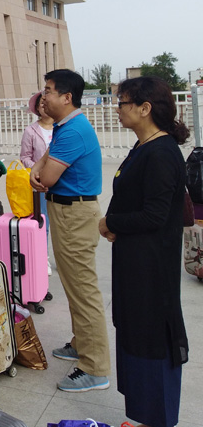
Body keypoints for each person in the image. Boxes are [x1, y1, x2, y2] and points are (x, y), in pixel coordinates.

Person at [98, 76, 189, 427]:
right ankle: (146, 417)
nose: (117, 109)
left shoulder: (162, 153)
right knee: (134, 332)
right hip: (134, 260)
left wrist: (111, 223)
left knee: (152, 338)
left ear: (145, 108)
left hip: (151, 267)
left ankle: (159, 419)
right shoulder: (143, 146)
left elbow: (155, 215)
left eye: (122, 102)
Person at [30, 69, 110, 392]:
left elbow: (46, 178)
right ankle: (81, 344)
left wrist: (38, 173)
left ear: (67, 97)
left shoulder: (73, 130)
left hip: (74, 214)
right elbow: (44, 162)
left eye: (48, 90)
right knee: (74, 285)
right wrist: (38, 170)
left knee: (83, 290)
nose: (43, 96)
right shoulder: (65, 127)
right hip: (66, 211)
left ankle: (95, 368)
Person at [20, 91, 55, 275]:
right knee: (44, 221)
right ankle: (44, 258)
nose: (44, 105)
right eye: (41, 103)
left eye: (46, 102)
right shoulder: (31, 131)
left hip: (62, 182)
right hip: (41, 184)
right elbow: (25, 157)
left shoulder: (61, 128)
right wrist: (38, 170)